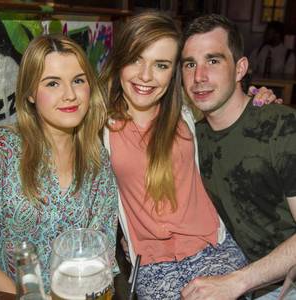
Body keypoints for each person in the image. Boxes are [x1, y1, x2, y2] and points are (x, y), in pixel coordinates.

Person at [100, 11, 278, 299]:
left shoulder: (188, 113)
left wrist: (259, 96)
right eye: (136, 59)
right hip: (153, 264)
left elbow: (230, 101)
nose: (146, 76)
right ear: (120, 59)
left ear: (173, 73)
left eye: (161, 65)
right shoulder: (100, 125)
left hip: (213, 248)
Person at [180, 14, 296, 300]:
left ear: (240, 68)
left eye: (214, 60)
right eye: (190, 64)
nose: (199, 77)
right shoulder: (193, 138)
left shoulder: (281, 126)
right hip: (246, 276)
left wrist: (237, 282)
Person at [0, 33, 119, 293]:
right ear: (30, 92)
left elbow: (102, 252)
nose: (70, 95)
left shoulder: (98, 160)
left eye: (78, 80)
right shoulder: (2, 151)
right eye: (52, 84)